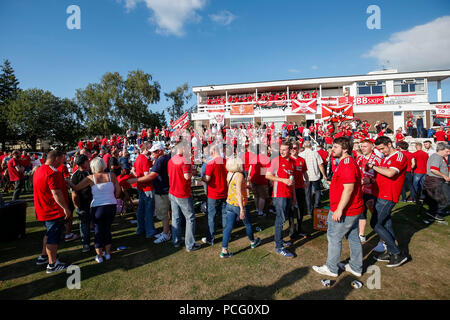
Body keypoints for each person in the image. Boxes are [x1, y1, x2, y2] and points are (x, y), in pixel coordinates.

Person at [312, 136, 364, 277]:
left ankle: (331, 268)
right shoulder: (345, 162)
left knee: (334, 237)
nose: (332, 149)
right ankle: (355, 266)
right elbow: (345, 185)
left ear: (345, 149)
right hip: (352, 208)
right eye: (332, 146)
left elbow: (348, 189)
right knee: (353, 237)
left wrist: (339, 209)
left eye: (335, 147)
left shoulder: (347, 163)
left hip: (346, 210)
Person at [70, 157, 120, 263]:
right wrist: (114, 198)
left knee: (98, 231)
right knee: (107, 229)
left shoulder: (91, 178)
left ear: (93, 166)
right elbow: (118, 190)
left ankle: (99, 255)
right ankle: (107, 254)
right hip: (110, 206)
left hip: (97, 207)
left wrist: (67, 182)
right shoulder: (112, 175)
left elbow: (76, 188)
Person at [369, 136, 408, 268]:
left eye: (383, 148)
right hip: (382, 193)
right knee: (386, 223)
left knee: (375, 223)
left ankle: (397, 252)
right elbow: (384, 175)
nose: (382, 151)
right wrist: (373, 181)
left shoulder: (399, 156)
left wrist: (373, 166)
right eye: (379, 149)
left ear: (390, 144)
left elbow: (391, 173)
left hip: (388, 195)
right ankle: (392, 251)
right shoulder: (388, 158)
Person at [33, 150, 72, 273]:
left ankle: (44, 256)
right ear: (56, 158)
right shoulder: (51, 172)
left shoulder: (39, 170)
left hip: (43, 209)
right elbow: (56, 193)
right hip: (52, 210)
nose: (63, 161)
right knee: (53, 237)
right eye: (62, 158)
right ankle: (52, 264)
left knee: (48, 234)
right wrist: (65, 208)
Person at [220, 156, 261, 258]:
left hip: (229, 203)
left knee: (228, 227)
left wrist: (245, 186)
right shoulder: (239, 175)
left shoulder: (230, 173)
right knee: (247, 224)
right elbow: (238, 192)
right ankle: (252, 242)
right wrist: (242, 209)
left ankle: (224, 250)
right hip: (239, 204)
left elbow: (233, 187)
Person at [168, 141, 201, 252]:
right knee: (190, 218)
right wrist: (193, 172)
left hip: (172, 191)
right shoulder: (184, 160)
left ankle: (176, 241)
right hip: (182, 193)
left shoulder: (171, 160)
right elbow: (187, 177)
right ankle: (190, 245)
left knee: (176, 218)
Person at [266, 142, 295, 258]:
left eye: (285, 149)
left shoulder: (292, 162)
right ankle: (279, 246)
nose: (282, 151)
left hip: (288, 194)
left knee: (283, 219)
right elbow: (268, 175)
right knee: (280, 220)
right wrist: (282, 180)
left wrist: (294, 197)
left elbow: (292, 181)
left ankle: (280, 241)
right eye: (281, 149)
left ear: (290, 150)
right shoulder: (276, 160)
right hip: (279, 194)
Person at [356, 139, 382, 243]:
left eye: (365, 146)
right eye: (362, 146)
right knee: (361, 213)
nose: (363, 148)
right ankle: (361, 234)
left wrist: (371, 180)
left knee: (376, 215)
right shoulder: (359, 158)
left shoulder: (377, 160)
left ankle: (382, 237)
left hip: (373, 192)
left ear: (372, 147)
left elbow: (382, 178)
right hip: (361, 191)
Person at [201, 145, 228, 245]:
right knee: (224, 215)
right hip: (224, 192)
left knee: (212, 216)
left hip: (213, 194)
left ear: (212, 153)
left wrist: (202, 178)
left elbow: (207, 178)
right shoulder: (225, 161)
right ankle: (226, 236)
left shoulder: (211, 163)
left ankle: (210, 238)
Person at [132, 142, 157, 238]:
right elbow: (147, 175)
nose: (151, 152)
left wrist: (138, 177)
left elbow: (133, 169)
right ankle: (150, 231)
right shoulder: (144, 159)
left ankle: (140, 229)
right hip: (147, 187)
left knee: (141, 209)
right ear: (146, 149)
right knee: (149, 210)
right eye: (150, 150)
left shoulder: (139, 157)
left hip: (140, 186)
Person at [71, 155, 93, 252]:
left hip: (93, 203)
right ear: (83, 163)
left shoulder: (90, 172)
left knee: (92, 223)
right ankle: (86, 245)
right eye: (87, 161)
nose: (89, 163)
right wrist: (77, 206)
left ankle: (99, 243)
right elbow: (74, 194)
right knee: (84, 225)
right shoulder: (75, 176)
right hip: (83, 204)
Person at [423, 142, 450, 221]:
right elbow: (433, 169)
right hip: (436, 180)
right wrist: (445, 176)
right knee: (446, 199)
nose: (448, 153)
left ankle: (436, 211)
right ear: (441, 150)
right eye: (447, 151)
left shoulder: (438, 156)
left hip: (436, 180)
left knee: (438, 198)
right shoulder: (437, 157)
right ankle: (433, 212)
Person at [299, 141, 327, 216]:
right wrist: (324, 174)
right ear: (311, 146)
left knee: (307, 194)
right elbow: (320, 165)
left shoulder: (301, 154)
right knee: (317, 191)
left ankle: (309, 210)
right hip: (314, 175)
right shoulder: (315, 153)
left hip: (306, 177)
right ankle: (316, 206)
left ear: (304, 146)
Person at [289, 142, 309, 240]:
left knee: (301, 208)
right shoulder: (288, 160)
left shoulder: (302, 160)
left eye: (295, 148)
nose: (294, 149)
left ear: (299, 149)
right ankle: (292, 230)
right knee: (291, 210)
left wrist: (307, 180)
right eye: (292, 148)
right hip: (290, 188)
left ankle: (300, 228)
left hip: (300, 187)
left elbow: (304, 172)